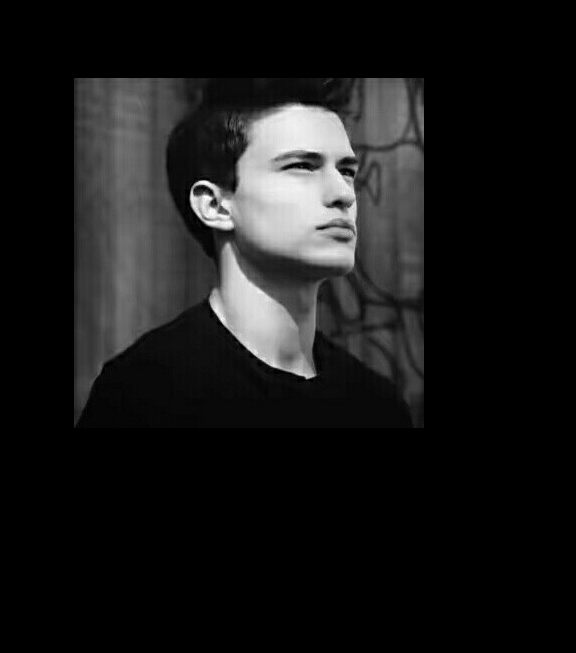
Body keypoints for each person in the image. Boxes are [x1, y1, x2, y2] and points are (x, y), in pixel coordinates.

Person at [75, 78, 413, 428]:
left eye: (347, 171)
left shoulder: (377, 406)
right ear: (215, 206)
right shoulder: (144, 393)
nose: (343, 193)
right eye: (301, 166)